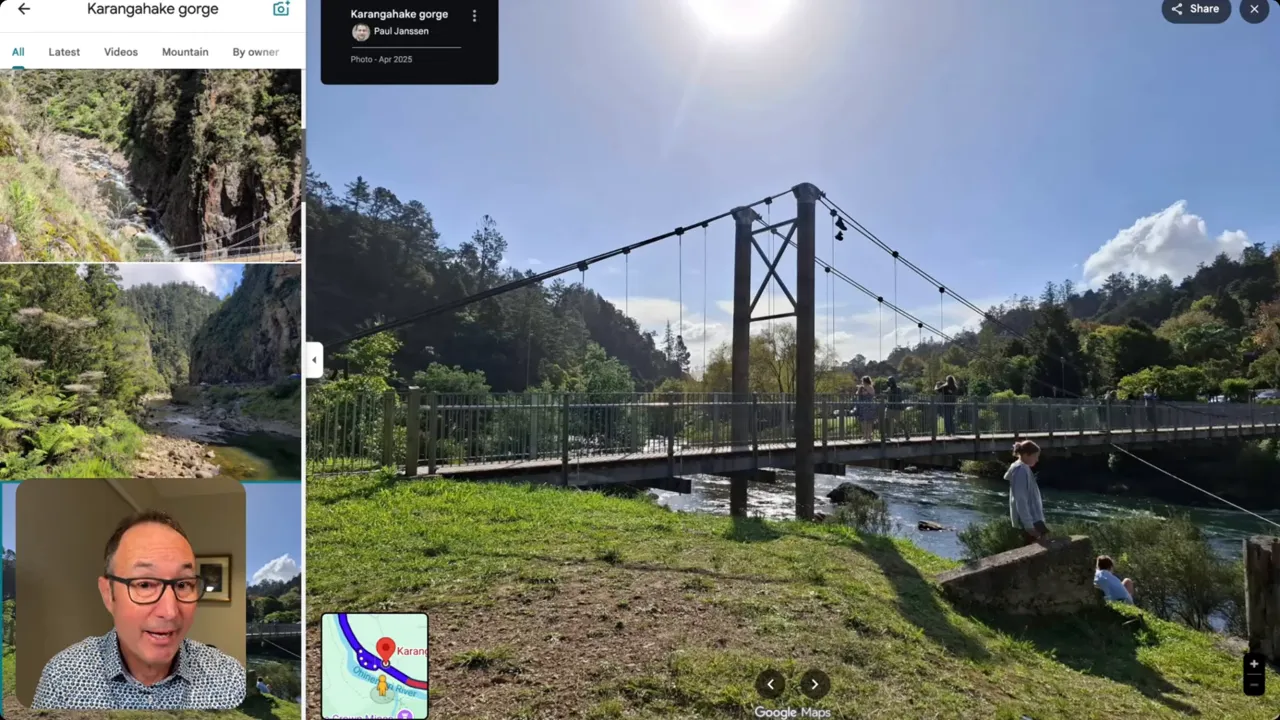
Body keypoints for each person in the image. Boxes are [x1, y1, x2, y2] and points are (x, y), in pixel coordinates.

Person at [32, 510, 246, 710]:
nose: (170, 612)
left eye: (182, 585)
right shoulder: (62, 678)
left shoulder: (229, 680)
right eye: (145, 585)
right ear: (108, 594)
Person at [1007, 440, 1049, 544]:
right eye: (1035, 456)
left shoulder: (1023, 468)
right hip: (1031, 520)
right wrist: (1028, 525)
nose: (1037, 459)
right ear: (1026, 455)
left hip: (1033, 518)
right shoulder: (1020, 470)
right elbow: (1020, 499)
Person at [856, 375, 876, 440]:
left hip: (868, 406)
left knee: (868, 421)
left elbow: (872, 393)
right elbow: (857, 394)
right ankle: (865, 435)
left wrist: (865, 387)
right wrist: (859, 389)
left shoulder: (870, 387)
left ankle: (868, 436)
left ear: (865, 381)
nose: (862, 382)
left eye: (863, 381)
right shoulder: (862, 388)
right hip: (863, 406)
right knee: (864, 421)